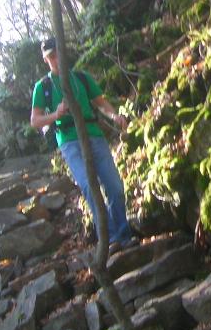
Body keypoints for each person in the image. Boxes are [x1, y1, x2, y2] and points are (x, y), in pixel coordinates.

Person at [30, 37, 137, 250]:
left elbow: (101, 103)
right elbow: (35, 121)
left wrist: (114, 116)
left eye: (58, 54)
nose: (56, 59)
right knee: (89, 186)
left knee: (115, 187)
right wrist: (56, 115)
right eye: (51, 56)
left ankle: (124, 234)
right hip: (69, 141)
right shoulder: (43, 87)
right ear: (45, 60)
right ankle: (111, 238)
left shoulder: (81, 78)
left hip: (94, 135)